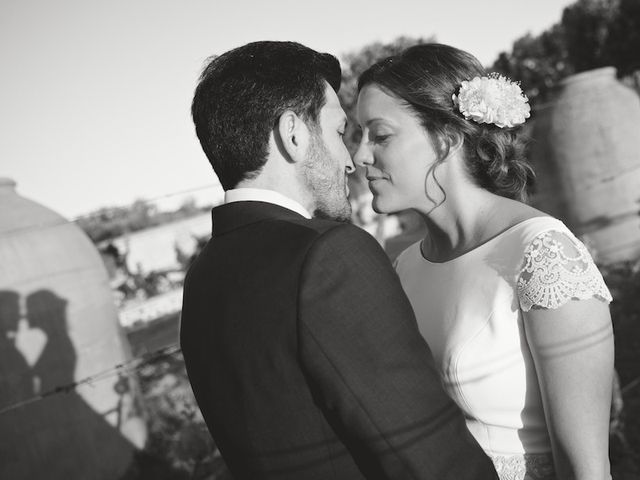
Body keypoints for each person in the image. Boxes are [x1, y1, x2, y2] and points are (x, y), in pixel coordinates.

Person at [180, 41, 497, 480]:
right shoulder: (328, 255)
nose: (351, 160)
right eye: (336, 132)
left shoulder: (202, 278)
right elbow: (425, 456)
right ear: (293, 134)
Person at [354, 43, 615, 480]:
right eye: (357, 137)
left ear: (446, 138)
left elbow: (587, 469)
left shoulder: (543, 254)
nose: (360, 157)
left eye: (379, 135)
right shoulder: (403, 267)